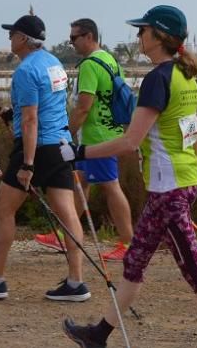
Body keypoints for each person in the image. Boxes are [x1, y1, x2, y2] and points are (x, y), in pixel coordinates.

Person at [61, 5, 197, 348]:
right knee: (135, 261)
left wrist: (78, 153)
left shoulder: (158, 80)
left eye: (143, 30)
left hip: (169, 190)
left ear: (160, 36)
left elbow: (131, 141)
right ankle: (98, 336)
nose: (138, 37)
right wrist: (191, 180)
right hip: (178, 184)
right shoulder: (186, 75)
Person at [0, 14, 91, 302]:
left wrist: (28, 164)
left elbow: (32, 119)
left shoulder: (25, 71)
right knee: (68, 213)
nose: (9, 39)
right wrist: (13, 116)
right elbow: (43, 106)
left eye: (12, 35)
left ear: (23, 39)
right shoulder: (54, 63)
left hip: (37, 148)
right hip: (60, 143)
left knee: (4, 209)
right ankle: (76, 281)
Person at [35, 18, 133, 261]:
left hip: (98, 137)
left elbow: (83, 107)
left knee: (111, 186)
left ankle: (129, 244)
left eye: (74, 38)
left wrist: (64, 132)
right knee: (80, 181)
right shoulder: (109, 58)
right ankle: (66, 234)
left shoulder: (90, 65)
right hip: (107, 131)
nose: (71, 43)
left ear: (88, 36)